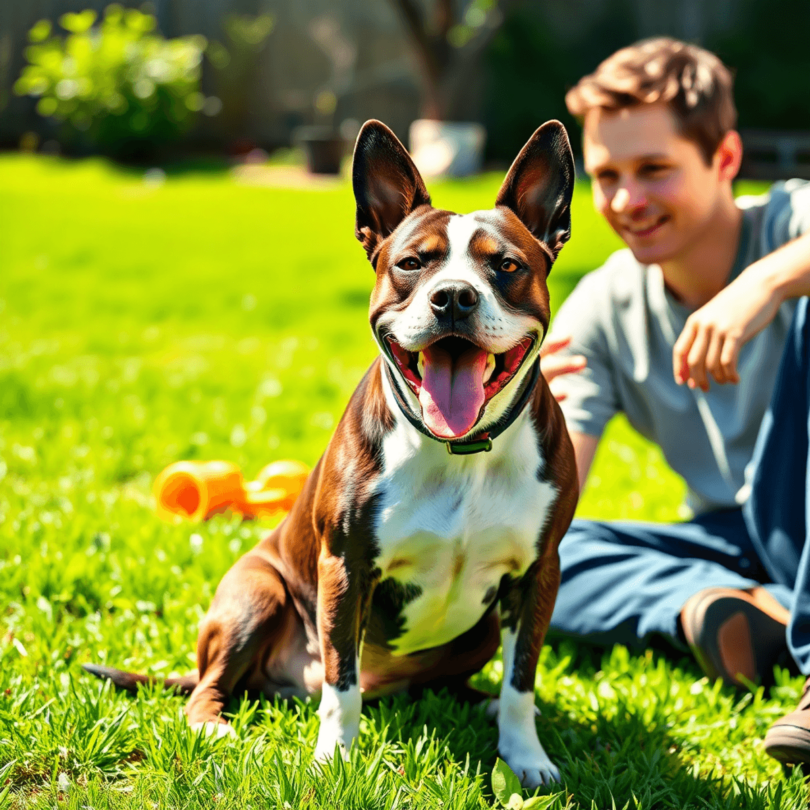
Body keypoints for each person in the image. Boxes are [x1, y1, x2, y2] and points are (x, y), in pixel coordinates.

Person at [540, 37, 810, 764]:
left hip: (800, 509)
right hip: (740, 537)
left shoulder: (789, 224)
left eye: (654, 169)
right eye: (607, 176)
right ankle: (720, 611)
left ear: (723, 160)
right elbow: (547, 492)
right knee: (549, 563)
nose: (627, 201)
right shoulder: (601, 306)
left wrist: (762, 286)